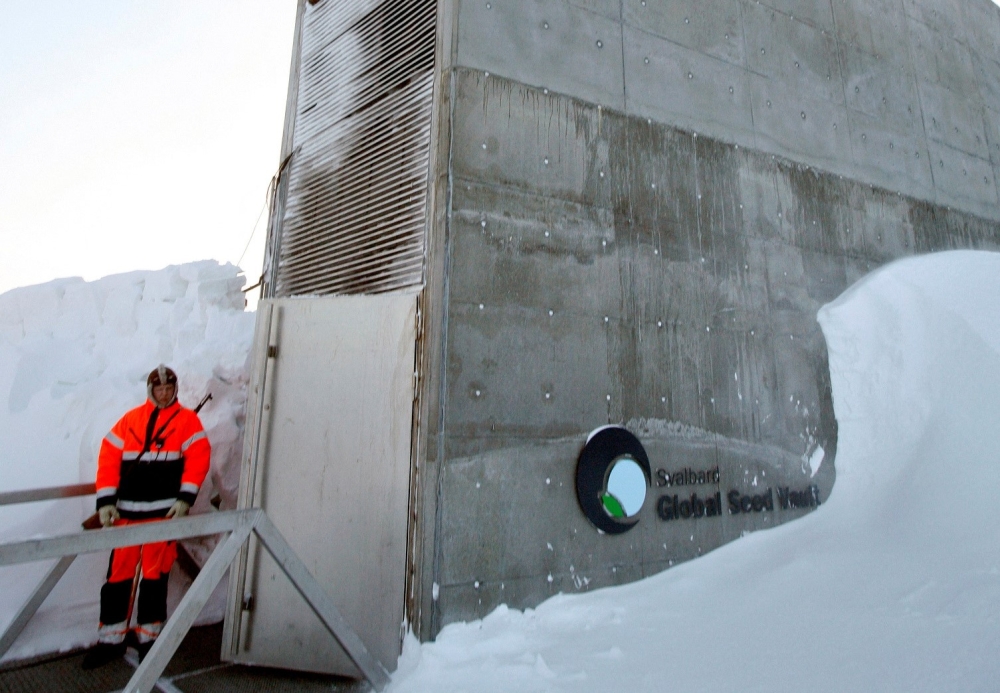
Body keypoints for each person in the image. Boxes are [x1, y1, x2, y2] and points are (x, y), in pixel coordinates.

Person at [82, 365, 211, 669]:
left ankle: (148, 641)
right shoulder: (130, 420)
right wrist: (105, 502)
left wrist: (184, 500)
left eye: (168, 389)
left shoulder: (188, 422)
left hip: (162, 516)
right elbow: (109, 458)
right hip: (125, 515)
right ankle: (110, 641)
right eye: (158, 389)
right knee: (117, 579)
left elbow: (199, 460)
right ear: (150, 391)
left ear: (175, 390)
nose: (163, 394)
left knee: (155, 580)